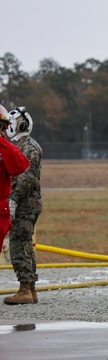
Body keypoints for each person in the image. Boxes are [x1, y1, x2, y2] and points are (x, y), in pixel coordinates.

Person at [4, 107, 42, 305]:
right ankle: (30, 289)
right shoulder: (22, 145)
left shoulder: (29, 147)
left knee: (19, 243)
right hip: (26, 202)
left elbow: (24, 177)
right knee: (26, 244)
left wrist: (12, 200)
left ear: (22, 124)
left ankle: (25, 289)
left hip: (25, 203)